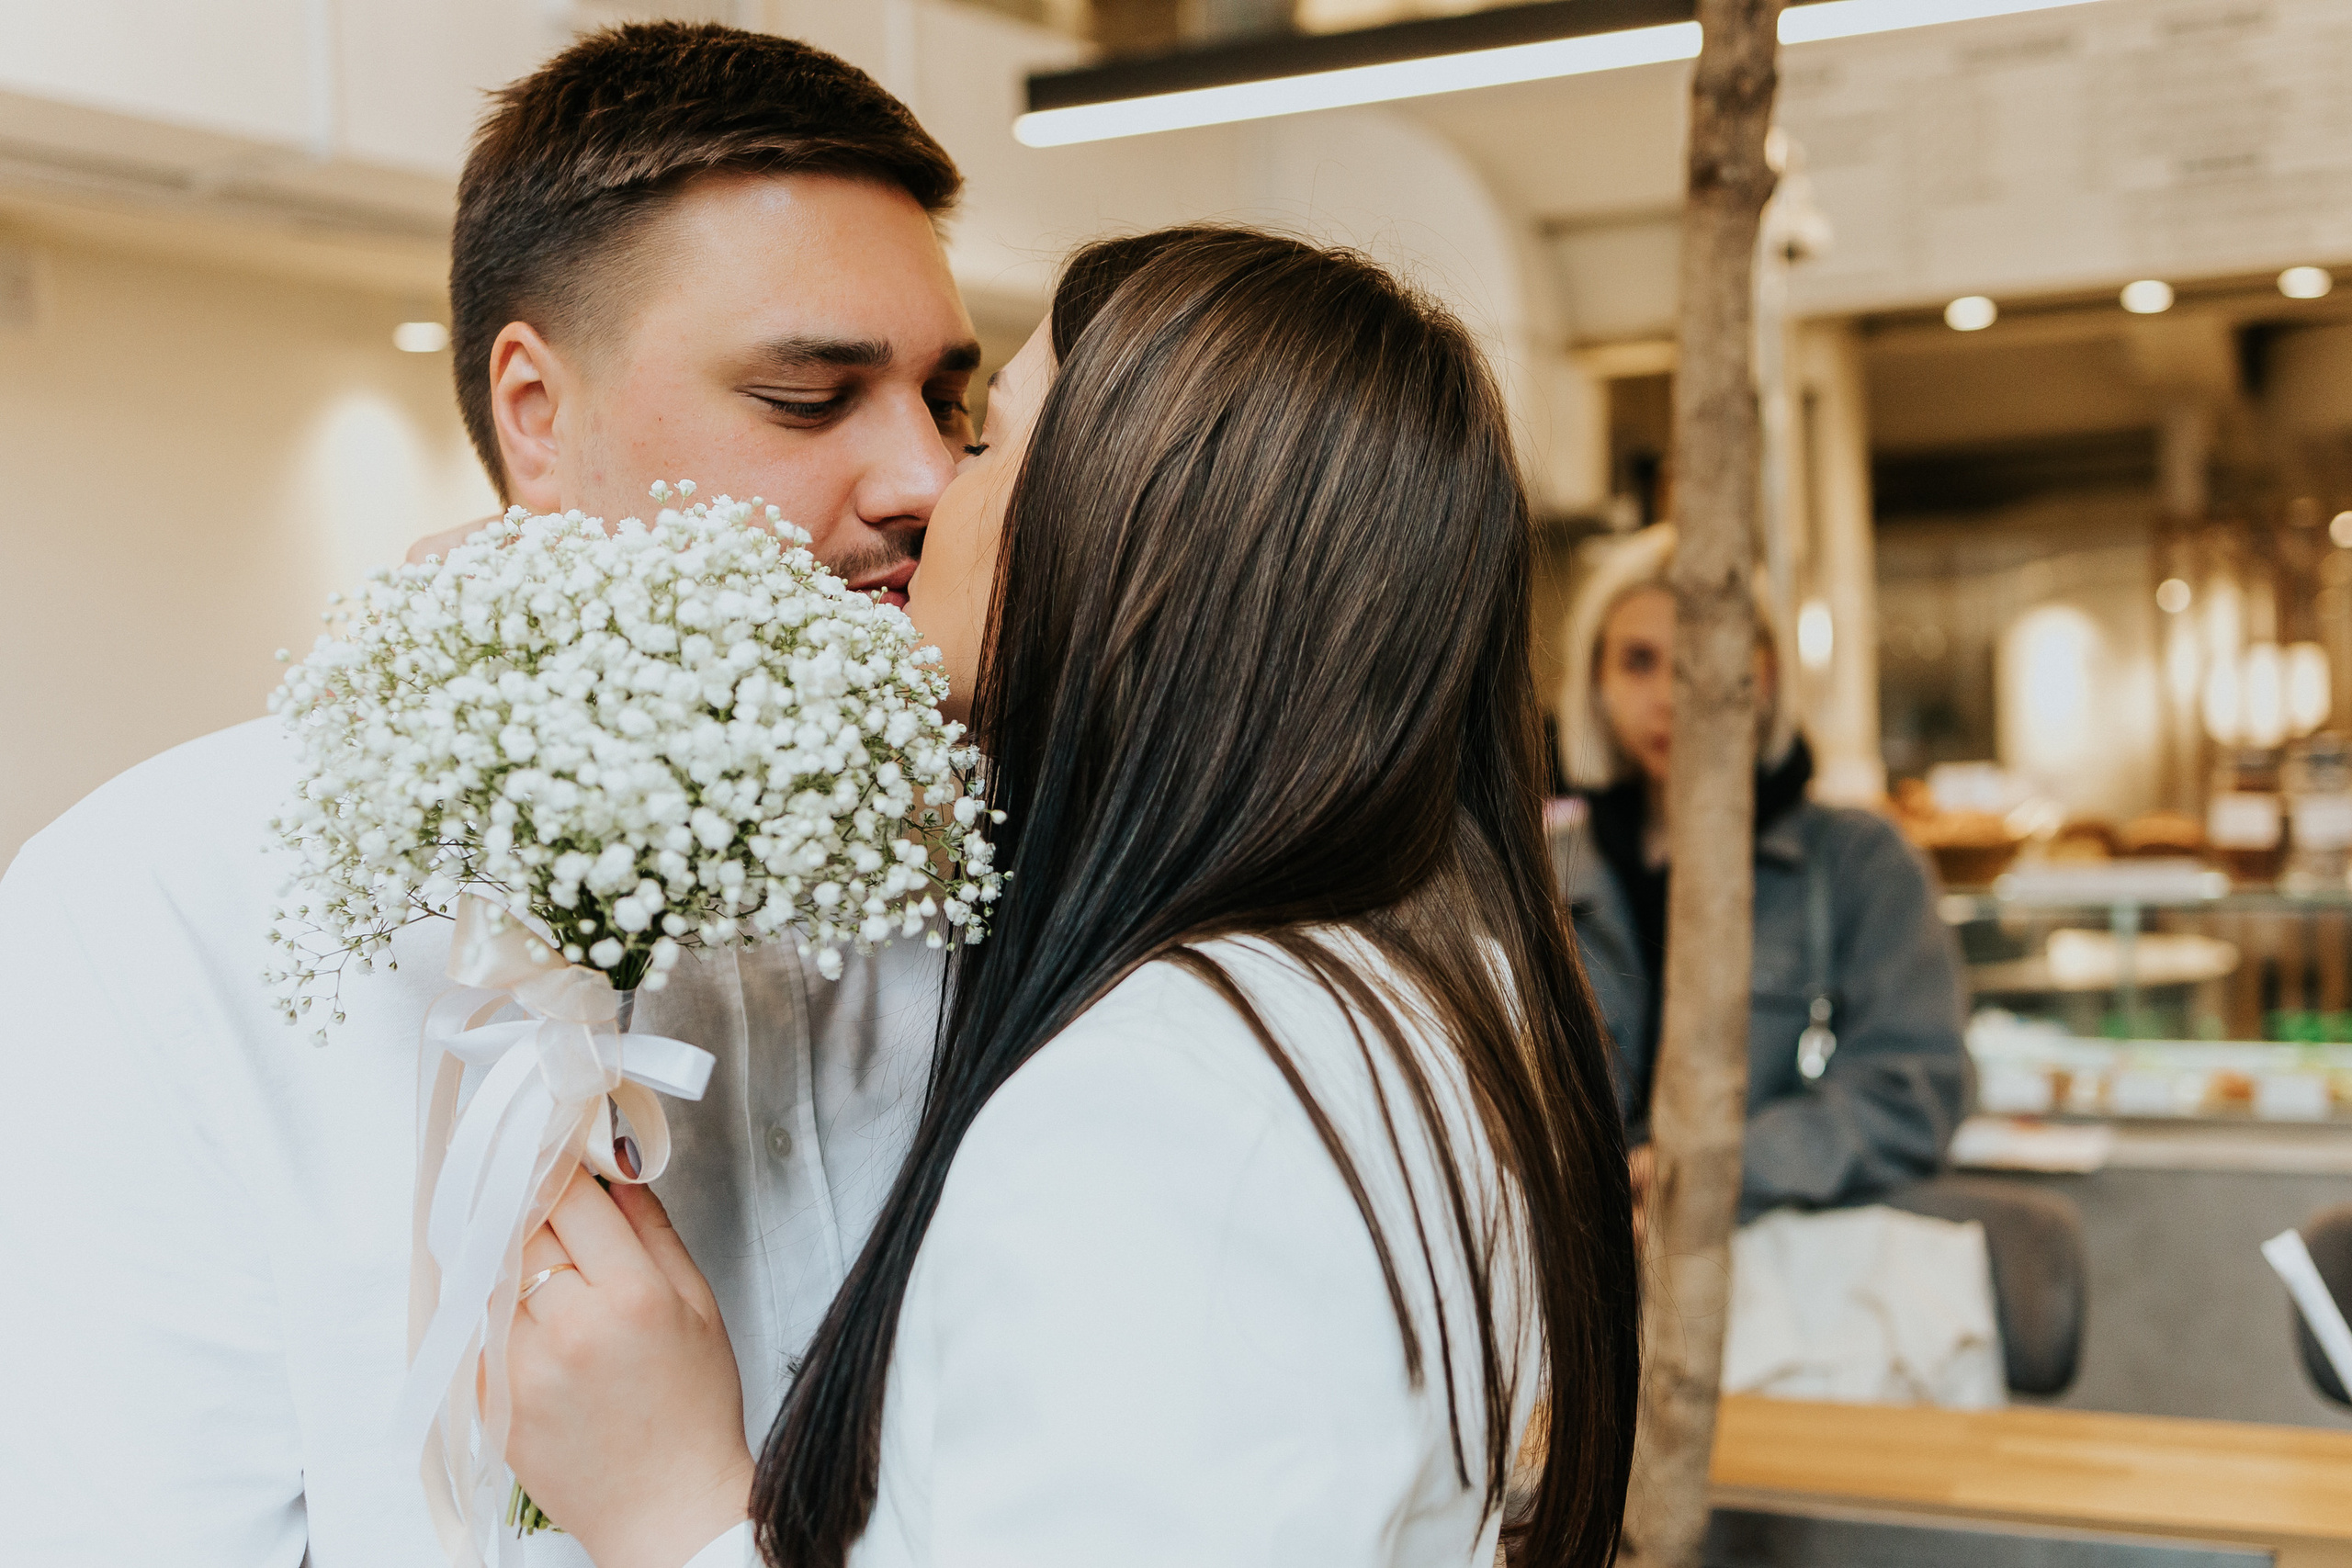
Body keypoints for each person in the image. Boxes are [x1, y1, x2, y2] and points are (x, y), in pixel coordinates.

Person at [480, 228, 1641, 1568]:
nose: (924, 485)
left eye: (982, 435)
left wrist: (672, 1505)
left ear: (1145, 540)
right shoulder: (1393, 990)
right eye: (814, 399)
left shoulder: (1170, 1110)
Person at [0, 24, 989, 1562]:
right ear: (534, 411)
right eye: (810, 395)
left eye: (949, 399)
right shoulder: (151, 916)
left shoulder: (965, 868)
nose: (923, 477)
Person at [1554, 524, 1970, 1220]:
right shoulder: (1542, 872)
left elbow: (1912, 1093)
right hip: (1573, 1288)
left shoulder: (1860, 865)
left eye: (1702, 656)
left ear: (1765, 672)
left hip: (1784, 1282)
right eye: (1639, 660)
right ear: (1597, 680)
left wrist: (1716, 1169)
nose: (1670, 693)